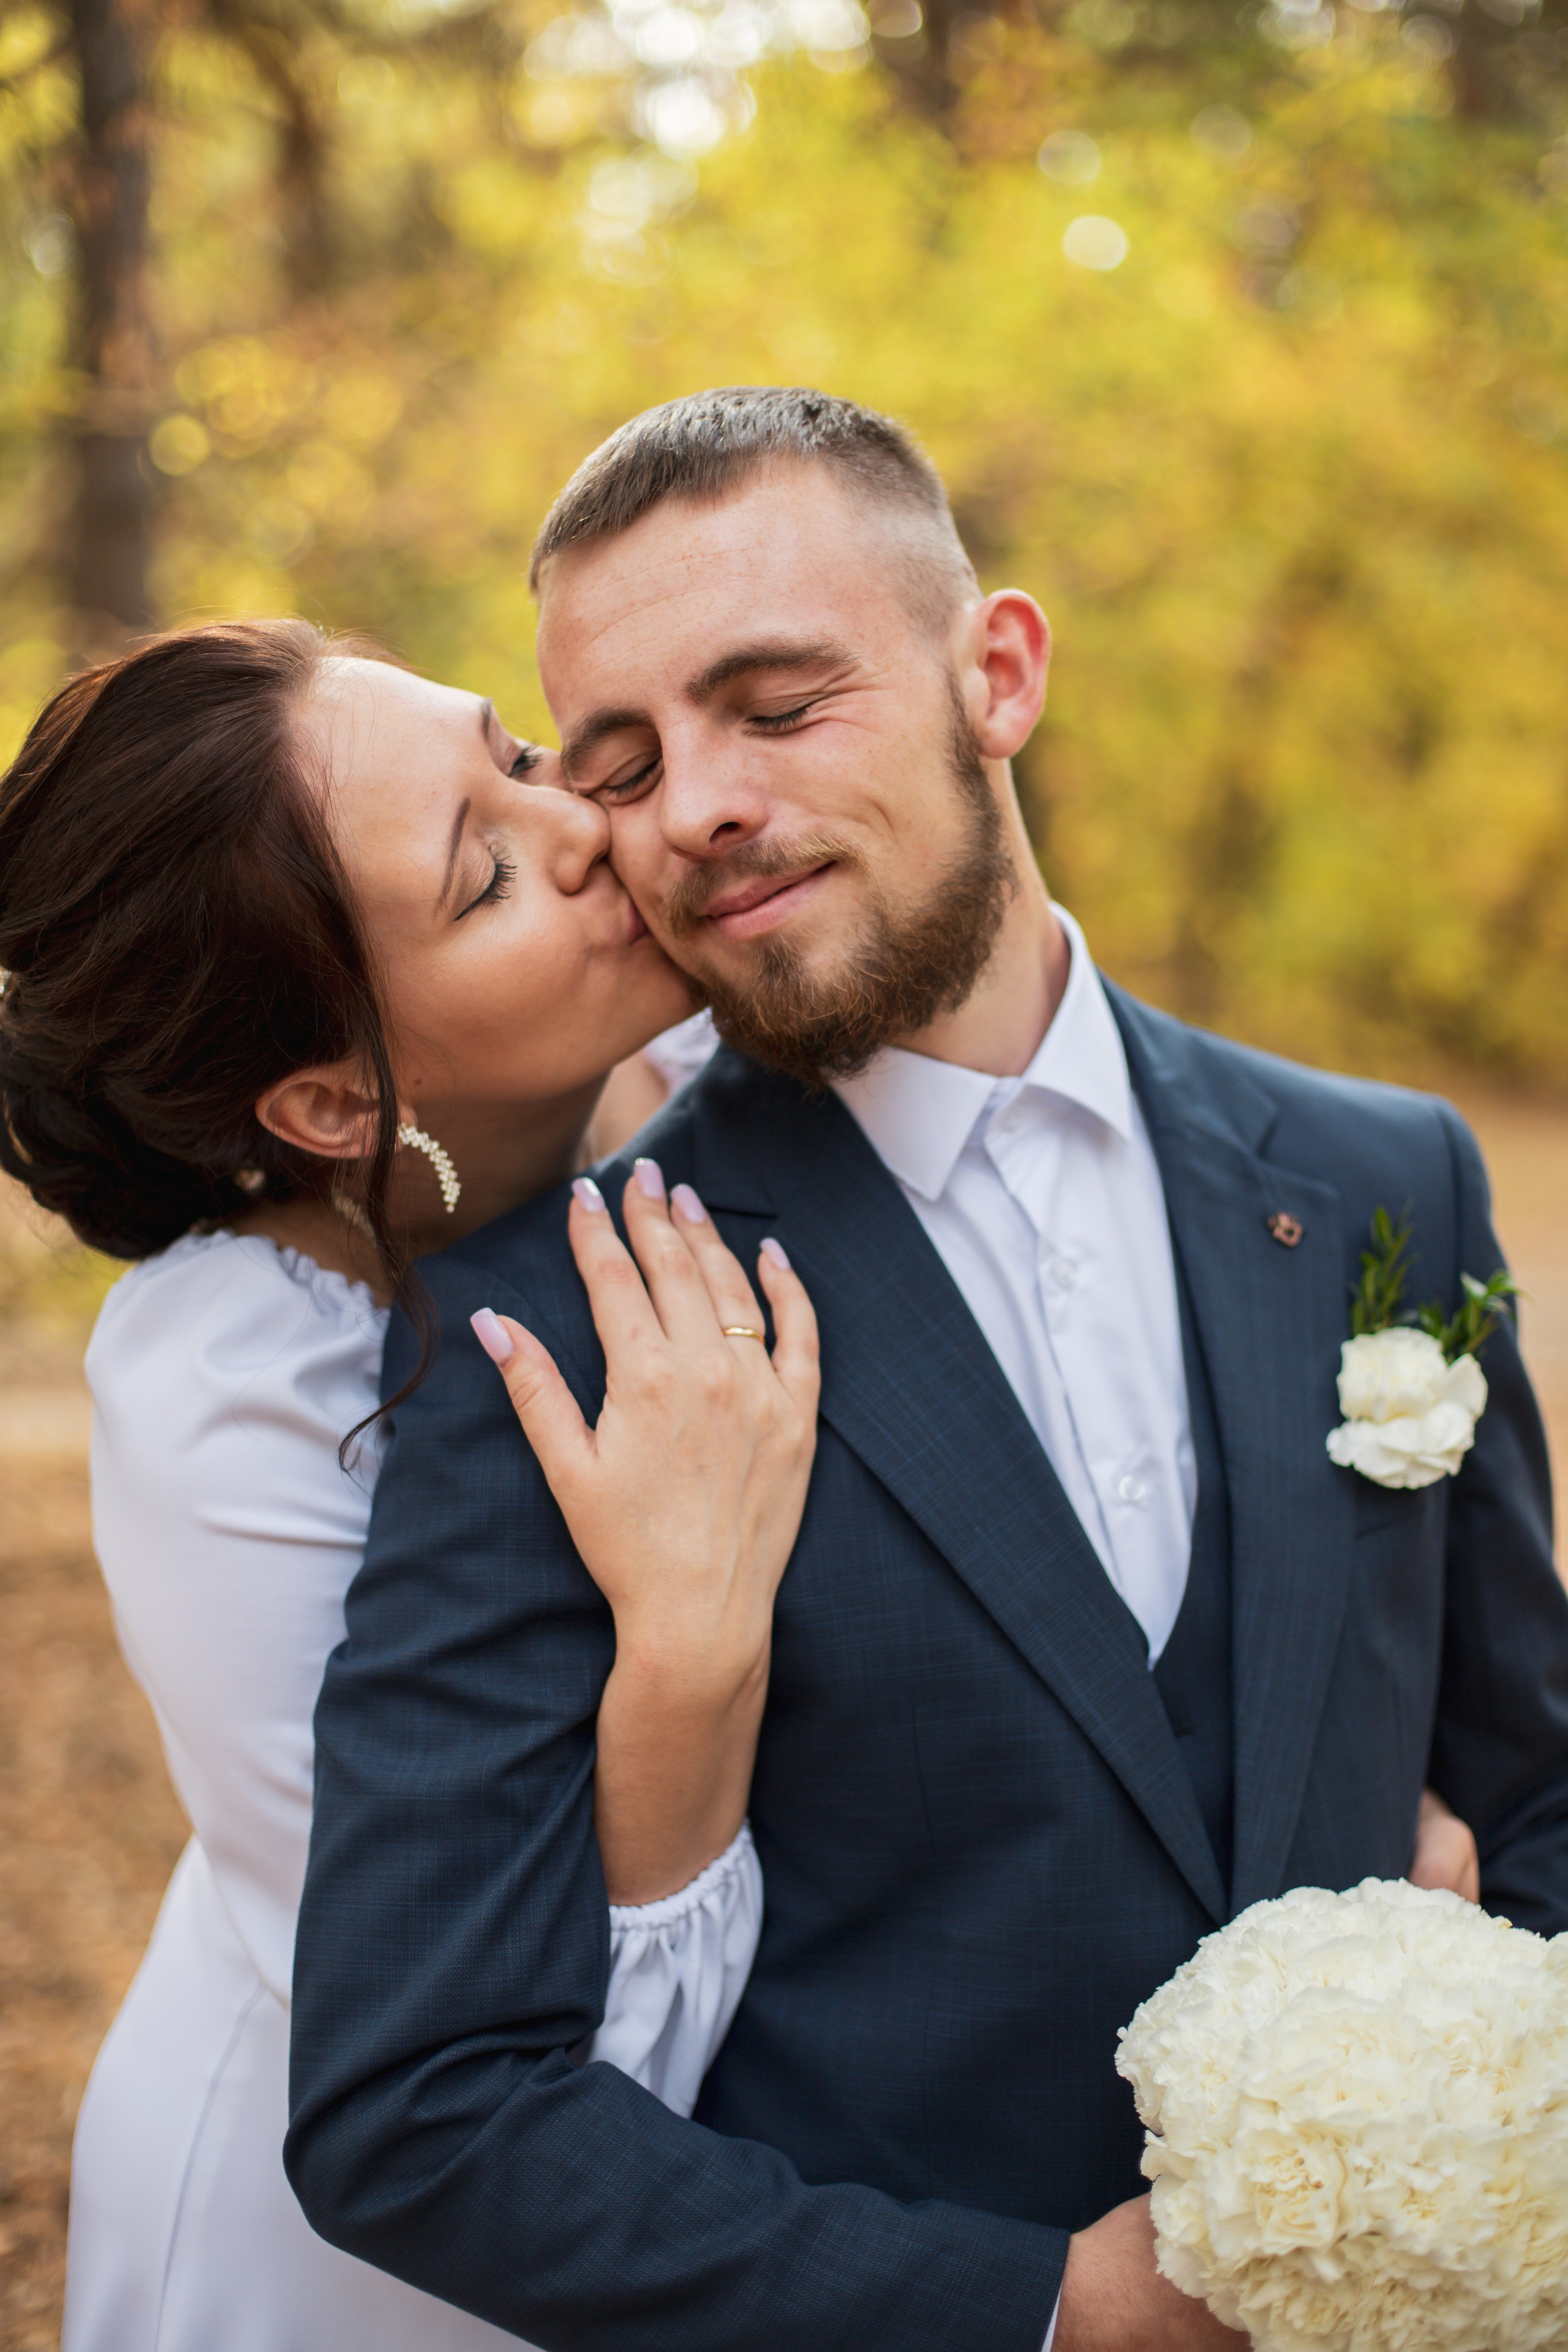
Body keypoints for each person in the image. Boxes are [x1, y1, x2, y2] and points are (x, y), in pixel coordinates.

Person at [287, 388, 1566, 2352]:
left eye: (778, 706)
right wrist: (1044, 2315)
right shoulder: (553, 1325)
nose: (698, 803)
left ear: (1000, 672)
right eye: (623, 762)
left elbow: (1532, 1787)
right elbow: (421, 2111)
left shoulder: (1387, 1178)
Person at [0, 620, 820, 2352]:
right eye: (483, 880)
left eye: (514, 761)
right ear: (333, 1093)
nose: (587, 825)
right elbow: (475, 2026)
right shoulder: (237, 1388)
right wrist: (692, 1651)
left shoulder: (730, 1071)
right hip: (373, 2268)